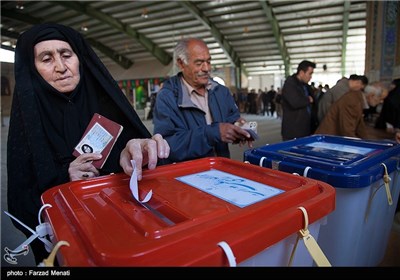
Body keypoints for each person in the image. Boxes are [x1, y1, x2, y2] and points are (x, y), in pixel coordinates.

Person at [7, 23, 170, 264]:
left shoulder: (107, 106)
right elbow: (21, 202)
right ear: (33, 68)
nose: (61, 67)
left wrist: (137, 154)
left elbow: (139, 171)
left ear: (79, 58)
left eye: (66, 55)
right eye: (46, 58)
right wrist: (63, 180)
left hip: (123, 238)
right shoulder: (29, 124)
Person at [153, 38, 253, 164]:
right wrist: (213, 133)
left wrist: (239, 127)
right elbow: (167, 146)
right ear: (181, 64)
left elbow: (232, 117)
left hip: (222, 168)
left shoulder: (221, 91)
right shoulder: (167, 97)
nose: (206, 68)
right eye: (199, 63)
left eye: (208, 61)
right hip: (190, 175)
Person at [281, 60, 317, 141]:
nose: (311, 77)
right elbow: (295, 102)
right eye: (310, 73)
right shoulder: (290, 84)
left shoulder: (305, 86)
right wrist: (308, 99)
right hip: (293, 131)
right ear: (301, 73)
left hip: (305, 129)